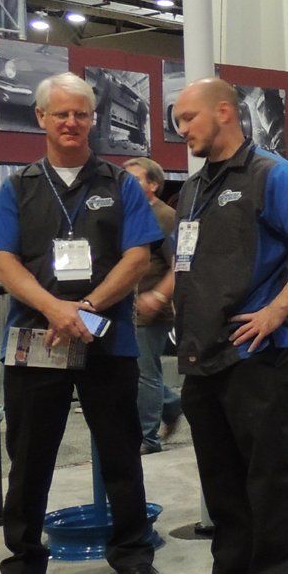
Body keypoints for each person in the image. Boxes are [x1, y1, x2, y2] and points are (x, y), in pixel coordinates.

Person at [146, 79, 288, 574]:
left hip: (257, 356)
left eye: (189, 118)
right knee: (222, 481)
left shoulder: (270, 174)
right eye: (177, 121)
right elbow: (189, 260)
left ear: (225, 112)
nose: (181, 130)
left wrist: (278, 308)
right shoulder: (194, 188)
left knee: (271, 480)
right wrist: (162, 299)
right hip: (202, 357)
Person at [0, 72, 163, 574]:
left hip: (108, 339)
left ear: (93, 118)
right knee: (29, 459)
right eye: (61, 113)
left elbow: (138, 257)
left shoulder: (121, 184)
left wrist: (87, 307)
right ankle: (22, 567)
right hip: (37, 340)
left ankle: (133, 555)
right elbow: (3, 261)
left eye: (81, 113)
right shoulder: (18, 187)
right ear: (41, 118)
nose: (72, 122)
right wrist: (54, 308)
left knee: (121, 452)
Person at [123, 157, 182, 454]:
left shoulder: (166, 216)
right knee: (138, 372)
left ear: (154, 184)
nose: (126, 185)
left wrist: (158, 296)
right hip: (129, 309)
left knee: (145, 374)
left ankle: (147, 438)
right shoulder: (130, 214)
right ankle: (172, 404)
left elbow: (180, 264)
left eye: (134, 179)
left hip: (152, 311)